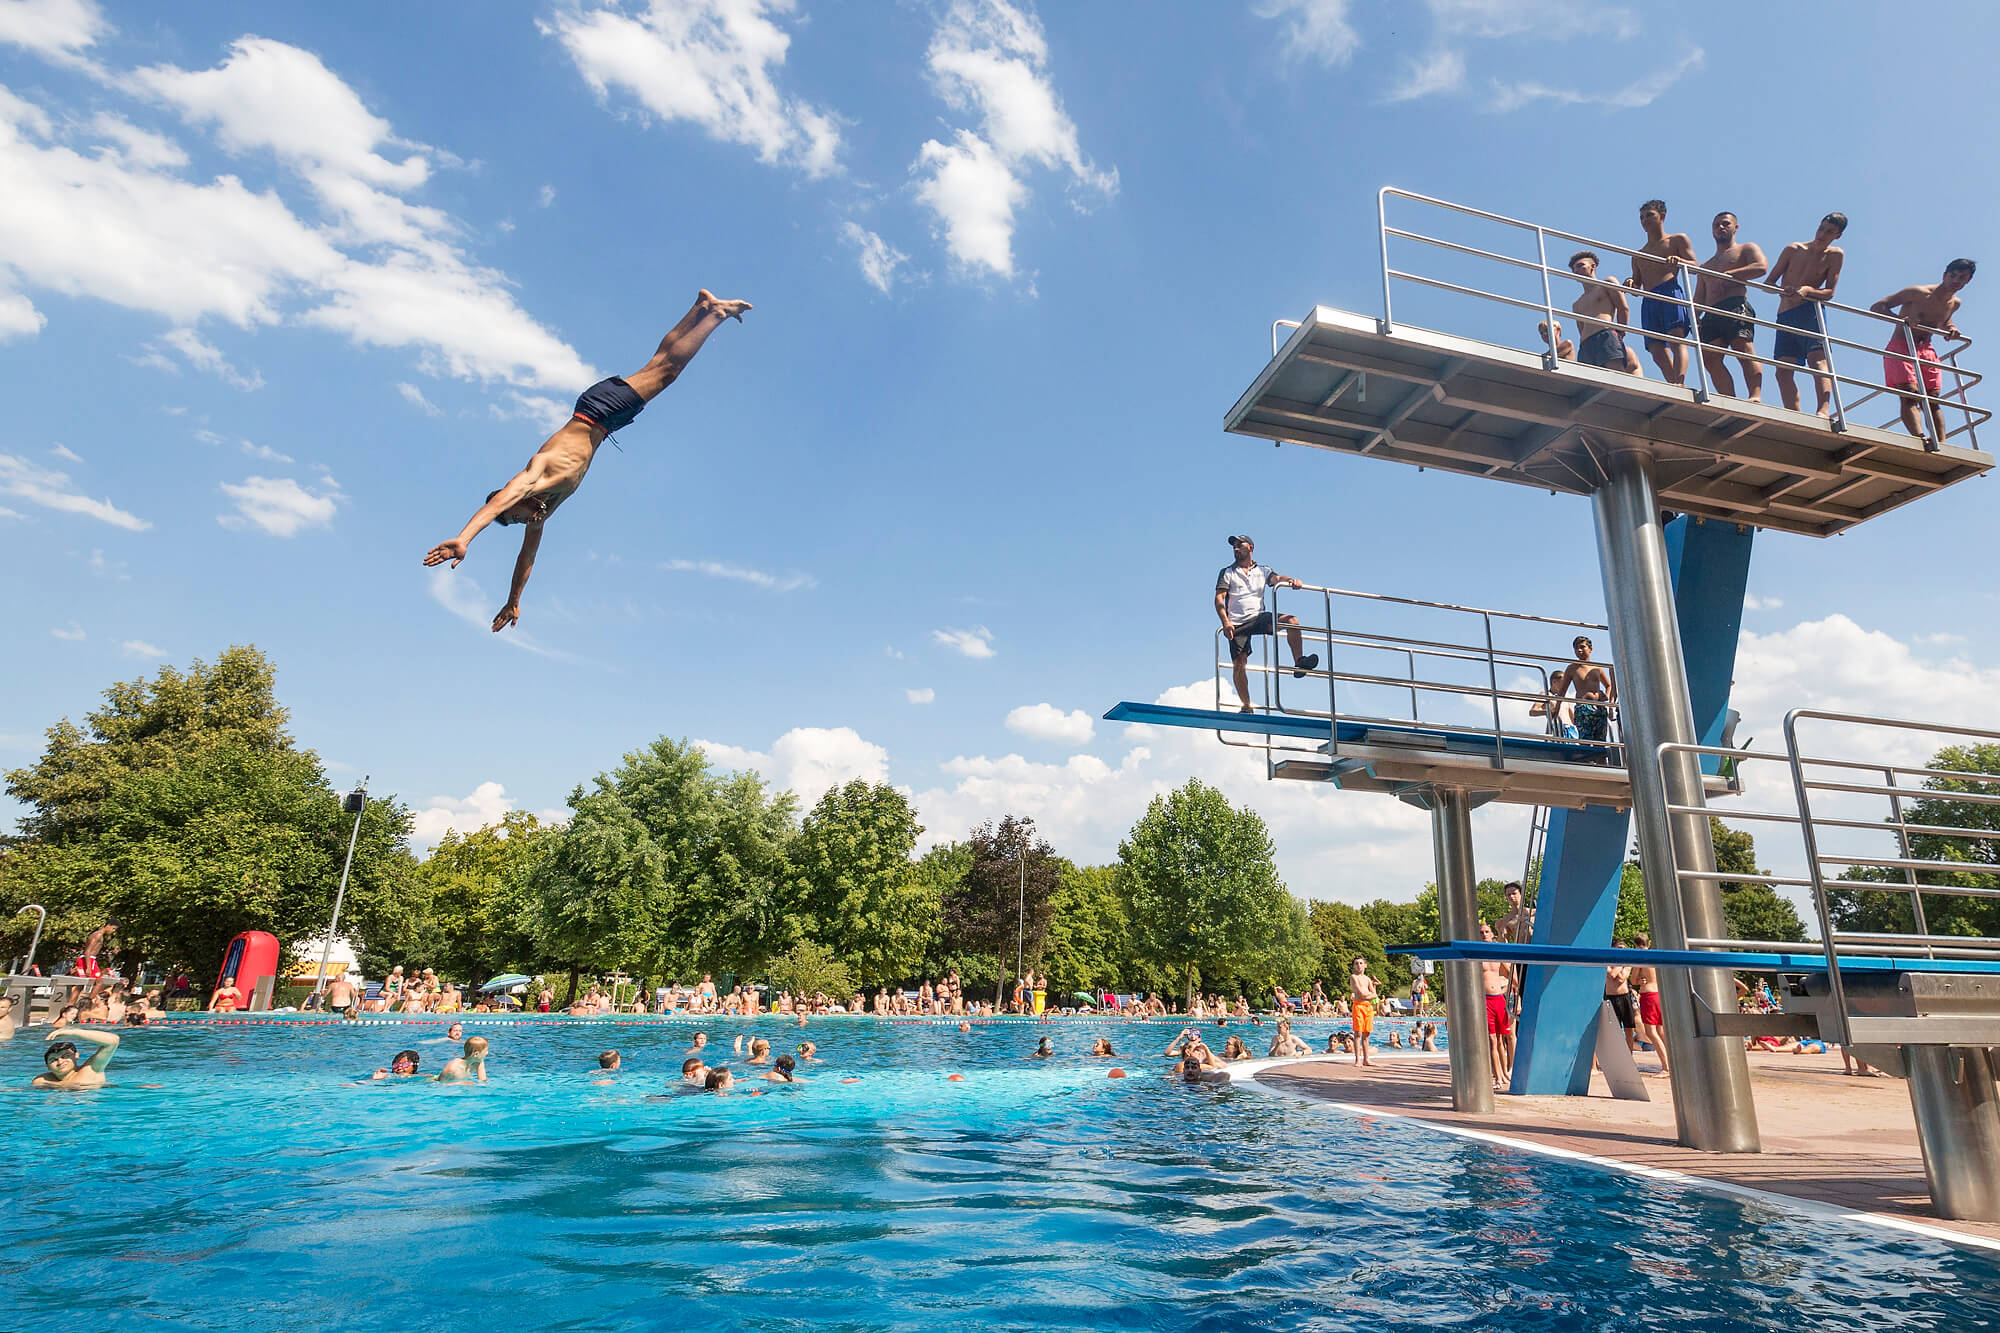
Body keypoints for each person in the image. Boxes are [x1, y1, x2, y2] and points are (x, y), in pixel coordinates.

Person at [423, 291, 753, 631]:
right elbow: (526, 559)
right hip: (604, 418)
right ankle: (701, 306)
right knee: (659, 364)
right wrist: (514, 599)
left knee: (667, 371)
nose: (523, 522)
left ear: (515, 501)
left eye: (516, 518)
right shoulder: (545, 510)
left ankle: (715, 314)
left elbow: (495, 505)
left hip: (596, 412)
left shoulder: (533, 476)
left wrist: (463, 539)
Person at [1871, 260, 1976, 444]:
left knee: (1933, 400)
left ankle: (1941, 443)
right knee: (1910, 394)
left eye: (1962, 278)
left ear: (1968, 281)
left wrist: (1951, 328)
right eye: (1953, 275)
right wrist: (1902, 320)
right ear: (1945, 274)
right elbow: (1878, 307)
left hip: (1927, 350)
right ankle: (1919, 437)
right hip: (1902, 345)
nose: (1956, 281)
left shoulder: (1954, 303)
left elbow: (1943, 321)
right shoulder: (1918, 293)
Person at [1216, 534, 1319, 712]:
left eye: (1239, 545)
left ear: (1250, 548)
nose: (1236, 548)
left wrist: (1291, 580)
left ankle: (1299, 663)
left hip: (1259, 617)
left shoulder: (1262, 570)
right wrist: (1225, 622)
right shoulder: (1227, 573)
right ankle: (1246, 705)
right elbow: (1219, 599)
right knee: (1239, 663)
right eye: (1234, 546)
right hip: (1237, 623)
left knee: (1292, 621)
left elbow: (1277, 578)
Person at [1766, 213, 1847, 415]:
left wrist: (1808, 291)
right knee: (1783, 370)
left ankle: (1823, 409)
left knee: (1817, 361)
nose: (1822, 234)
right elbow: (1769, 283)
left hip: (1810, 311)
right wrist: (1783, 291)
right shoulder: (1794, 249)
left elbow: (1830, 292)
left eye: (1829, 231)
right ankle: (1794, 413)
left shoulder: (1835, 254)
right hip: (1785, 314)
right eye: (1821, 228)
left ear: (1837, 235)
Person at [1694, 212, 1768, 401]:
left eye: (1725, 224)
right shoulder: (1705, 266)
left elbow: (1761, 267)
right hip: (1711, 314)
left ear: (1735, 227)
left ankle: (1755, 396)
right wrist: (1694, 317)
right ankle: (1729, 399)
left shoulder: (1745, 249)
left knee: (1743, 348)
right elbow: (1700, 297)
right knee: (1709, 358)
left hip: (1735, 306)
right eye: (1717, 224)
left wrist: (1732, 274)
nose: (1721, 227)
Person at [1627, 200, 1698, 385]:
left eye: (1649, 215)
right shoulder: (1638, 255)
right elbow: (1637, 287)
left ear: (1662, 216)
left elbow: (1695, 266)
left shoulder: (1676, 240)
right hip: (1650, 300)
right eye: (1641, 217)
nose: (1645, 220)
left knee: (1676, 339)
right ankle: (1673, 382)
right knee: (1655, 349)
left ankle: (1680, 381)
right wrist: (1631, 283)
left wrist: (1680, 261)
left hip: (1670, 291)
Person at [1564, 251, 1641, 373]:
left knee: (1616, 374)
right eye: (1574, 269)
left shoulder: (1607, 283)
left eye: (1580, 266)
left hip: (1606, 335)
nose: (1576, 271)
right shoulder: (1577, 304)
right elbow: (1581, 328)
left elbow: (1623, 308)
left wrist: (1621, 332)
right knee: (1589, 382)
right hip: (1586, 344)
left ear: (1593, 266)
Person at [1554, 635, 1616, 761]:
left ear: (1590, 649)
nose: (1579, 650)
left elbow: (1609, 685)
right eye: (1576, 648)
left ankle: (1602, 768)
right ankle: (1586, 764)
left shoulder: (1597, 667)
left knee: (1601, 743)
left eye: (1582, 647)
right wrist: (1556, 708)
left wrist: (1607, 697)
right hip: (1583, 708)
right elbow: (1562, 691)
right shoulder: (1572, 668)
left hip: (1599, 708)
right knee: (1585, 742)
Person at [1629, 933, 1671, 1078]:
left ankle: (1666, 1067)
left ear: (1636, 945)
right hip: (1658, 994)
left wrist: (1639, 978)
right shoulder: (1655, 956)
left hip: (1648, 995)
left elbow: (1633, 980)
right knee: (1661, 1031)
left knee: (1651, 1032)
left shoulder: (1640, 958)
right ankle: (1672, 1065)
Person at [1478, 922, 1514, 1090]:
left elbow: (1514, 980)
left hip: (1499, 998)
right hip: (1485, 1000)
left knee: (1502, 1040)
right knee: (1492, 1040)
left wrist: (1504, 989)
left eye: (1487, 932)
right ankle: (1498, 1077)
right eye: (1481, 932)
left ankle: (1505, 1074)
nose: (1484, 934)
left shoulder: (1498, 955)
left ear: (1492, 934)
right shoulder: (1477, 956)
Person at [34, 1027, 119, 1089]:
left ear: (76, 1056)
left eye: (65, 1056)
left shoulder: (91, 1069)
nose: (60, 1061)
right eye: (53, 1060)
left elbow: (113, 1041)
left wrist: (74, 1032)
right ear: (47, 1066)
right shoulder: (41, 1080)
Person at [1604, 950, 1639, 1054]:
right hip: (1610, 997)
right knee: (1614, 1029)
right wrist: (1618, 967)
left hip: (1624, 997)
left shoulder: (1627, 964)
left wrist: (1613, 969)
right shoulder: (1608, 963)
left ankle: (1629, 1054)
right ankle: (1616, 1054)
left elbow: (1621, 978)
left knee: (1628, 1028)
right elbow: (1612, 976)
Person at [1348, 956, 1378, 1068]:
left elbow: (1375, 994)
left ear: (1365, 965)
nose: (1359, 965)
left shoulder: (1367, 979)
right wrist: (1369, 996)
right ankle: (1357, 1060)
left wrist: (1369, 996)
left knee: (1366, 1034)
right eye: (1356, 963)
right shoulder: (1354, 977)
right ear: (1353, 966)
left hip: (1368, 1007)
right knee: (1358, 1033)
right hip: (1358, 1006)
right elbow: (1361, 994)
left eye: (1361, 963)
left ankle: (1366, 1059)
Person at [75, 919, 117, 991]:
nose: (113, 931)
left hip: (87, 959)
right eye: (113, 928)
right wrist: (88, 967)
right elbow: (87, 951)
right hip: (89, 959)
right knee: (99, 983)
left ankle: (71, 1002)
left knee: (80, 986)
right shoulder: (98, 935)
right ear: (108, 925)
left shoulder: (98, 935)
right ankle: (89, 1001)